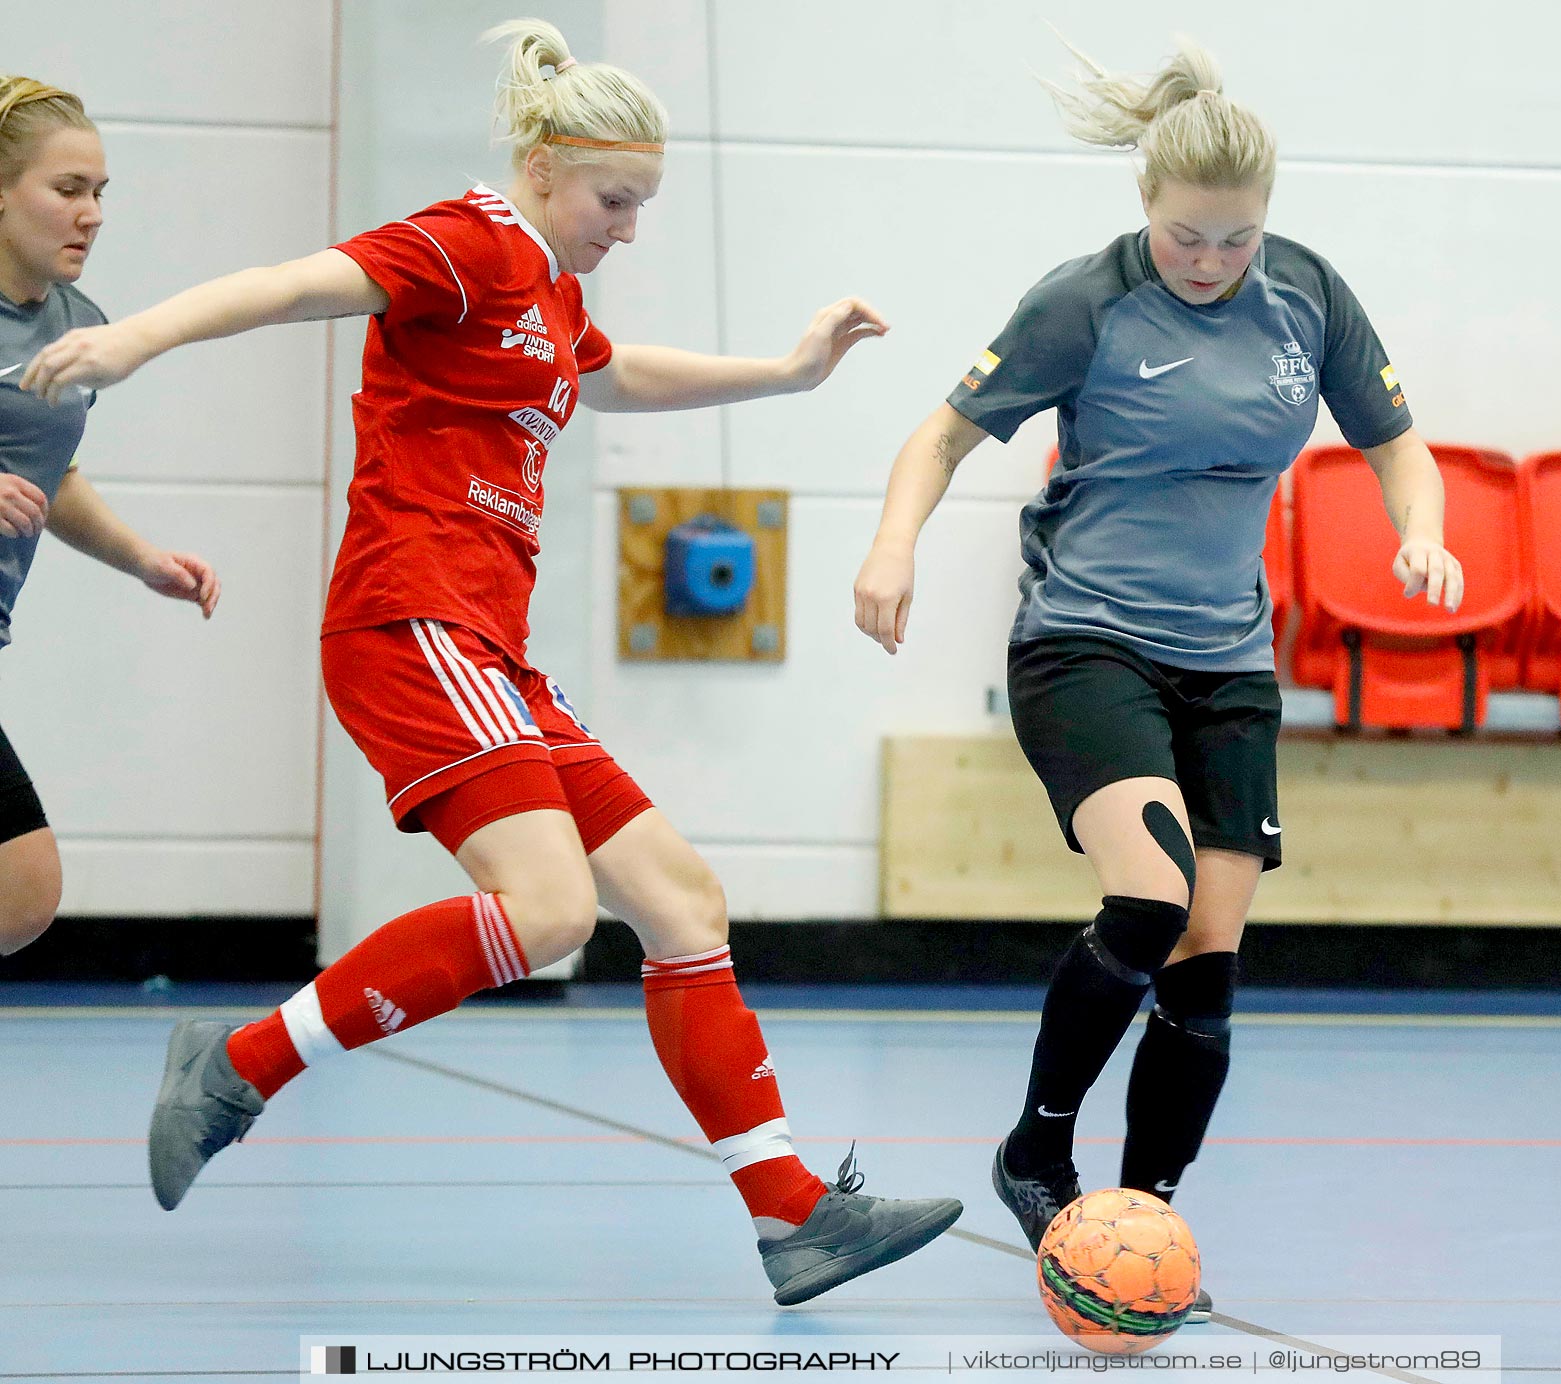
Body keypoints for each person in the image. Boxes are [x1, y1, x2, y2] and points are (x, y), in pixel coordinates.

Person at [25, 19, 960, 1305]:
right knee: (554, 911)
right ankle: (239, 1061)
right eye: (613, 199)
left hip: (490, 648)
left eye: (642, 205)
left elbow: (611, 376)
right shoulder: (463, 242)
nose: (628, 226)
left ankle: (795, 1215)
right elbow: (295, 282)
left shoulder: (551, 286)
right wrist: (134, 342)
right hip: (411, 622)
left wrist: (786, 375)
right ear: (540, 163)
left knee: (681, 903)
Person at [852, 36, 1464, 1315]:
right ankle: (1037, 1143)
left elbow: (1399, 442)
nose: (1213, 260)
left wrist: (1423, 529)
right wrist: (893, 541)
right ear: (1147, 207)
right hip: (1086, 642)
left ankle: (1141, 1225)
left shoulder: (1305, 294)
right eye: (1190, 235)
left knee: (1209, 953)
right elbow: (941, 432)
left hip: (1227, 658)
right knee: (1149, 892)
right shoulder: (1087, 299)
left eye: (1237, 238)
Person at [0, 75, 220, 956]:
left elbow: (53, 472)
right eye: (66, 190)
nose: (91, 213)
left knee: (20, 895)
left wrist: (141, 559)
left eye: (99, 192)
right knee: (24, 881)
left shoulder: (75, 326)